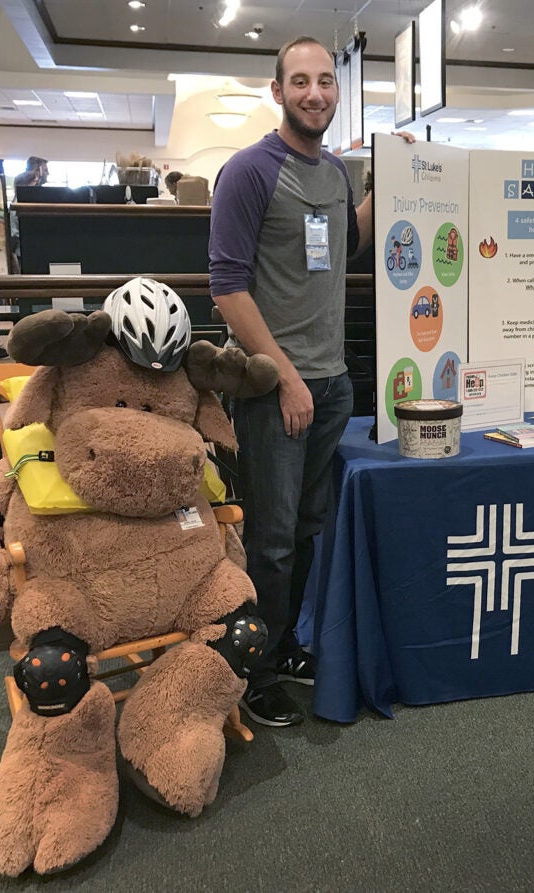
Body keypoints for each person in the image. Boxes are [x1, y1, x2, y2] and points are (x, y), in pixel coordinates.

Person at [209, 35, 414, 727]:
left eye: (326, 81)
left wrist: (393, 185)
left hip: (331, 385)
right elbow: (227, 291)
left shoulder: (334, 174)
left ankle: (283, 640)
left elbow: (344, 245)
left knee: (304, 532)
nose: (315, 93)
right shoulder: (248, 172)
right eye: (300, 81)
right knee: (269, 536)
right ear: (278, 91)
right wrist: (286, 378)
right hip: (276, 391)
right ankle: (255, 672)